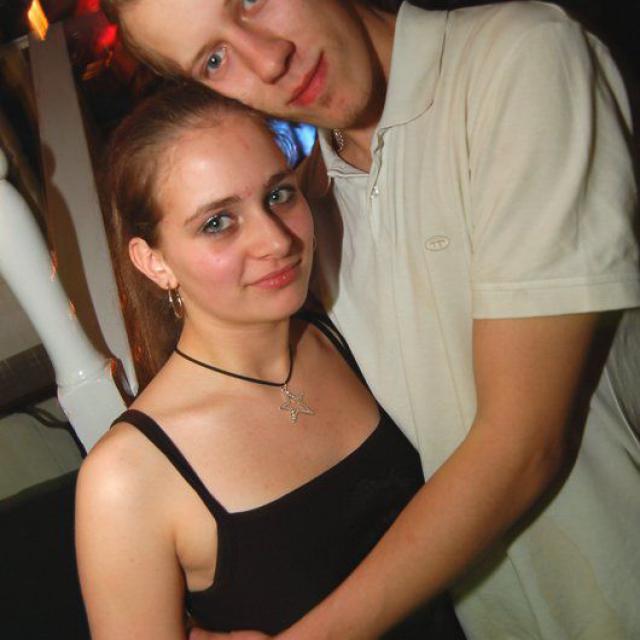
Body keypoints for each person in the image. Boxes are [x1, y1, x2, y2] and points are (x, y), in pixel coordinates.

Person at [101, 1, 640, 638]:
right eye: (214, 59)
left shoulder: (516, 60)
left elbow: (524, 444)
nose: (267, 61)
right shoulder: (312, 203)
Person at [74, 82, 466, 639]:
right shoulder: (128, 478)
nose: (276, 241)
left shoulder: (345, 332)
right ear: (154, 262)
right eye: (217, 222)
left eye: (279, 194)